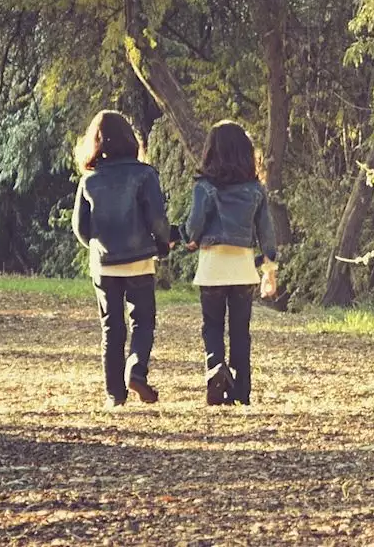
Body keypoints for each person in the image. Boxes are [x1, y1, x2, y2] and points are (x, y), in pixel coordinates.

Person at [72, 110, 172, 408]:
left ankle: (115, 395)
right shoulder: (145, 174)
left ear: (96, 142)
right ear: (131, 138)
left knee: (111, 327)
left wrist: (97, 246)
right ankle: (136, 369)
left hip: (104, 262)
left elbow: (80, 228)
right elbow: (157, 218)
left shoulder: (89, 180)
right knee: (142, 321)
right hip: (139, 259)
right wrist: (163, 244)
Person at [184, 121, 278, 406]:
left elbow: (193, 227)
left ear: (211, 152)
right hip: (242, 269)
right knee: (240, 330)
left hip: (212, 267)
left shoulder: (204, 187)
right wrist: (269, 271)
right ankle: (242, 390)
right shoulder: (256, 190)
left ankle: (215, 370)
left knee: (212, 326)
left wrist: (190, 239)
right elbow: (267, 234)